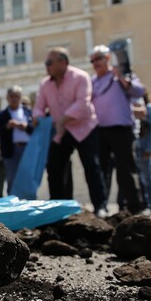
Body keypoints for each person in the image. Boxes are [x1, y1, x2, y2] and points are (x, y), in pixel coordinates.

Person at [33, 47, 106, 215]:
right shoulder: (45, 84)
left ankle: (100, 205)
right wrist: (37, 117)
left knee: (91, 166)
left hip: (85, 128)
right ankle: (59, 206)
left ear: (62, 62)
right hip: (62, 132)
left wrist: (63, 119)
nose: (47, 66)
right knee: (55, 167)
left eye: (49, 62)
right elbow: (38, 107)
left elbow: (83, 103)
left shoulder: (81, 77)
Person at [90, 45, 144, 213]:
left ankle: (135, 207)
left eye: (98, 58)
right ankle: (101, 206)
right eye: (92, 60)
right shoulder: (92, 81)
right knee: (101, 171)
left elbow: (138, 92)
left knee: (126, 169)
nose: (95, 63)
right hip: (100, 131)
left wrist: (121, 77)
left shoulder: (119, 77)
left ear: (107, 58)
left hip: (122, 130)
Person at [0, 85, 34, 195]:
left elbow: (35, 129)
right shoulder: (1, 115)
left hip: (27, 149)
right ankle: (13, 204)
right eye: (12, 96)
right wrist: (7, 126)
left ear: (20, 98)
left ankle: (30, 202)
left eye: (17, 96)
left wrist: (26, 126)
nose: (14, 98)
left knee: (29, 177)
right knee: (11, 179)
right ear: (7, 98)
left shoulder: (28, 112)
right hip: (11, 151)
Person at [134, 89, 151, 214]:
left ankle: (150, 205)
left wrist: (150, 148)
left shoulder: (149, 108)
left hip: (144, 148)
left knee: (147, 177)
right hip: (135, 148)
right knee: (137, 178)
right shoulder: (131, 108)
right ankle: (140, 204)